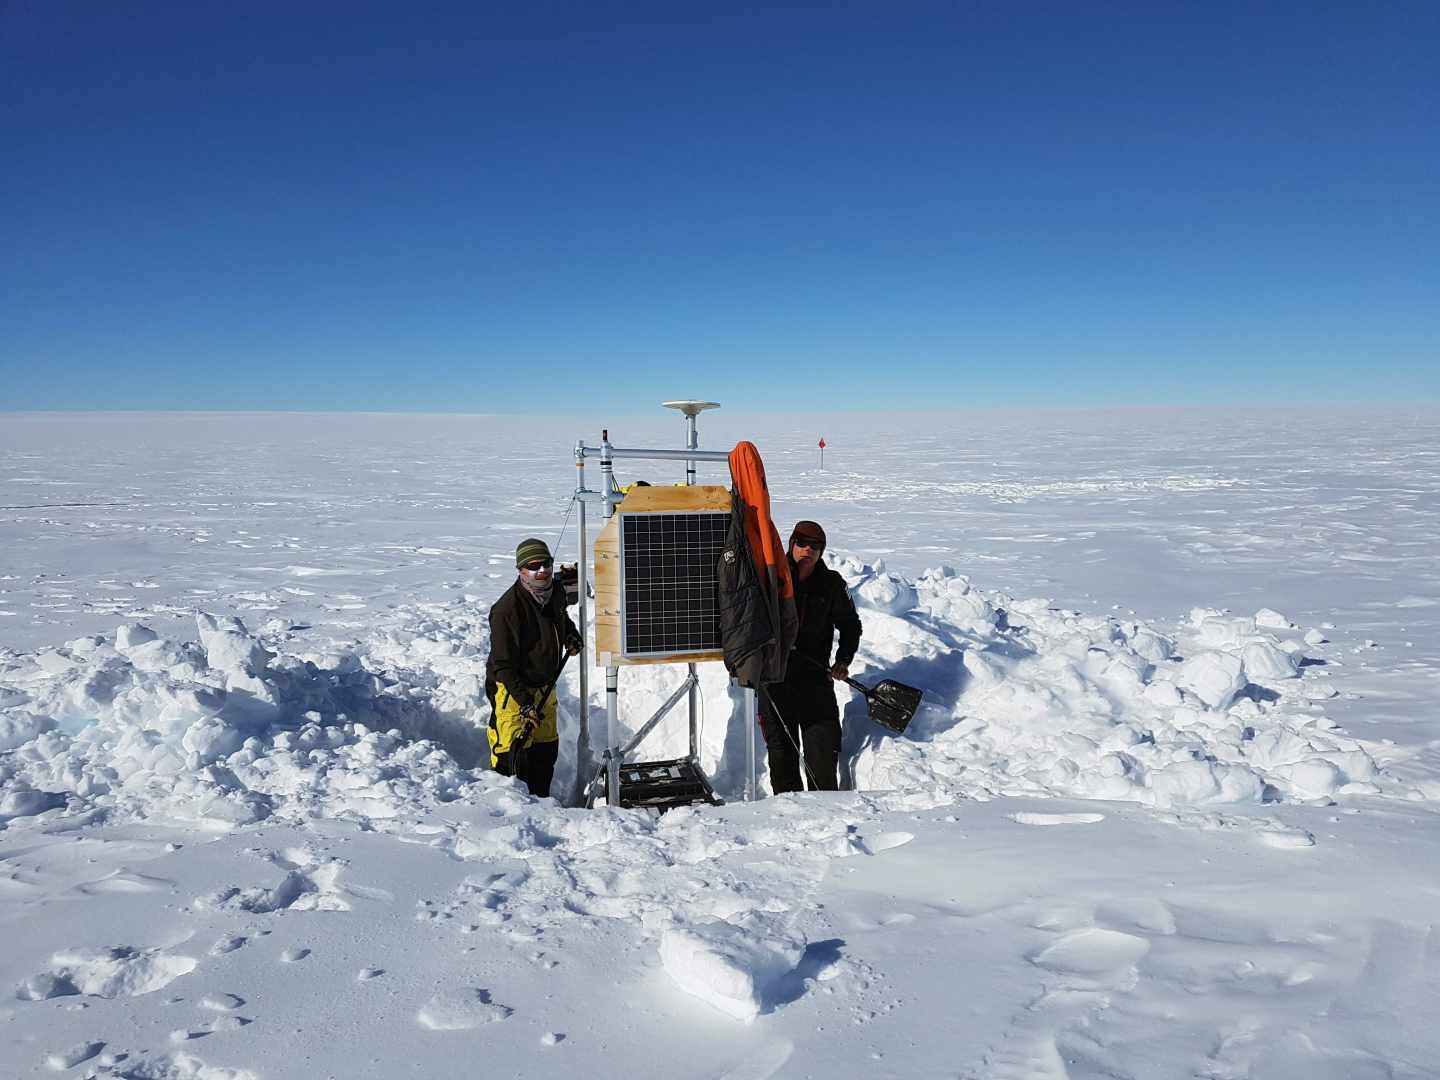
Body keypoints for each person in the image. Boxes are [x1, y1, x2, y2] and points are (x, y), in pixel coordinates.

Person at [760, 520, 861, 792]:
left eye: (815, 546)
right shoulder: (771, 578)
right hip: (774, 682)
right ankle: (790, 820)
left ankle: (829, 822)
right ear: (791, 544)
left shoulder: (831, 585)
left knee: (822, 758)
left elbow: (851, 625)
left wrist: (843, 660)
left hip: (816, 683)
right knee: (782, 760)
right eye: (802, 544)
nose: (808, 550)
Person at [485, 538, 581, 798]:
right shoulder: (506, 611)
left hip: (545, 685)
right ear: (521, 570)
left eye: (546, 564)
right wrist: (525, 703)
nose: (542, 571)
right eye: (534, 566)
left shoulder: (555, 592)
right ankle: (510, 810)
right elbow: (503, 666)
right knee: (513, 756)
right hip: (513, 690)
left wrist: (570, 635)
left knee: (545, 750)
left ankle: (543, 803)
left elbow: (560, 618)